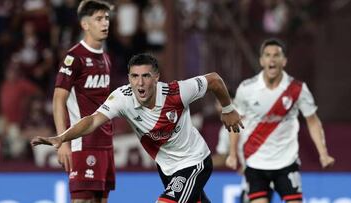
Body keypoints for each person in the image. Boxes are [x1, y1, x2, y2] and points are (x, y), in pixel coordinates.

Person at [32, 53, 244, 203]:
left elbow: (214, 80)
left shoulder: (177, 92)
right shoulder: (122, 98)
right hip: (166, 167)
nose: (140, 83)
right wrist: (63, 137)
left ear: (156, 77)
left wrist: (228, 108)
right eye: (134, 76)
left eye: (145, 76)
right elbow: (92, 121)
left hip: (194, 162)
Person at [225, 38, 335, 203]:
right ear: (262, 60)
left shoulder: (297, 89)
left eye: (276, 55)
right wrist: (232, 154)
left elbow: (313, 121)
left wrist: (323, 153)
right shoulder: (247, 89)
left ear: (284, 61)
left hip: (287, 162)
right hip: (256, 163)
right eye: (268, 55)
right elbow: (235, 122)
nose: (272, 59)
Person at [51, 0, 114, 202]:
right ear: (85, 24)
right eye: (98, 19)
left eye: (106, 18)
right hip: (82, 143)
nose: (105, 23)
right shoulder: (74, 57)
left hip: (105, 144)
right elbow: (58, 100)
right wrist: (63, 142)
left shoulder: (106, 58)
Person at [212, 99, 274, 203]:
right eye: (217, 103)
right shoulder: (225, 130)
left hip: (263, 176)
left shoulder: (254, 122)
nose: (219, 107)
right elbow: (223, 157)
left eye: (222, 103)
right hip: (249, 180)